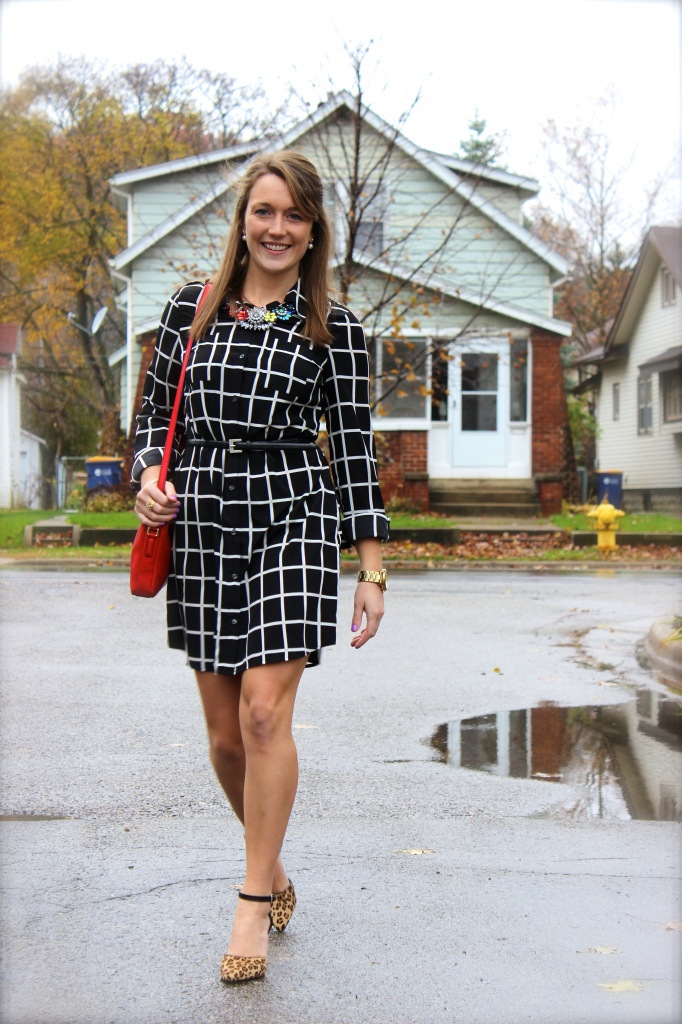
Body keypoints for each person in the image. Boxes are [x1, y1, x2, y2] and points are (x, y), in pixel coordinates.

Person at [132, 150, 389, 983]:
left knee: (264, 717)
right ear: (243, 219)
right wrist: (148, 480)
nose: (278, 229)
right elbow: (149, 421)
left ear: (314, 232)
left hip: (293, 512)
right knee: (222, 734)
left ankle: (249, 903)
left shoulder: (336, 331)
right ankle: (272, 866)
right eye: (265, 211)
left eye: (295, 216)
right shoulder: (189, 310)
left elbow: (352, 451)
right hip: (203, 515)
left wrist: (373, 567)